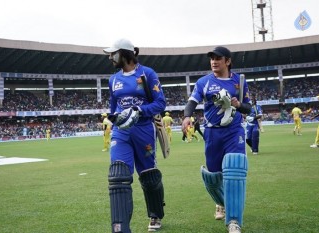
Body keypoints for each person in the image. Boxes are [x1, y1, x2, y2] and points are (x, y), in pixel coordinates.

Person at [181, 46, 251, 233]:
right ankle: (221, 203)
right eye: (212, 58)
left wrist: (238, 104)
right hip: (212, 133)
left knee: (234, 168)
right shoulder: (204, 82)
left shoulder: (240, 81)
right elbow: (192, 102)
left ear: (227, 61)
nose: (214, 61)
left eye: (218, 58)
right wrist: (187, 116)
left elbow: (248, 108)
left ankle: (234, 220)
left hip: (234, 131)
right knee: (214, 174)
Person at [103, 38, 166, 233]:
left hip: (144, 130)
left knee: (148, 176)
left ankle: (155, 214)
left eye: (114, 53)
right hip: (121, 132)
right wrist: (113, 119)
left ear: (125, 53)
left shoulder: (147, 73)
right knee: (118, 173)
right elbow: (114, 108)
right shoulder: (113, 80)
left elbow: (160, 104)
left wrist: (138, 110)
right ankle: (120, 227)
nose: (111, 57)